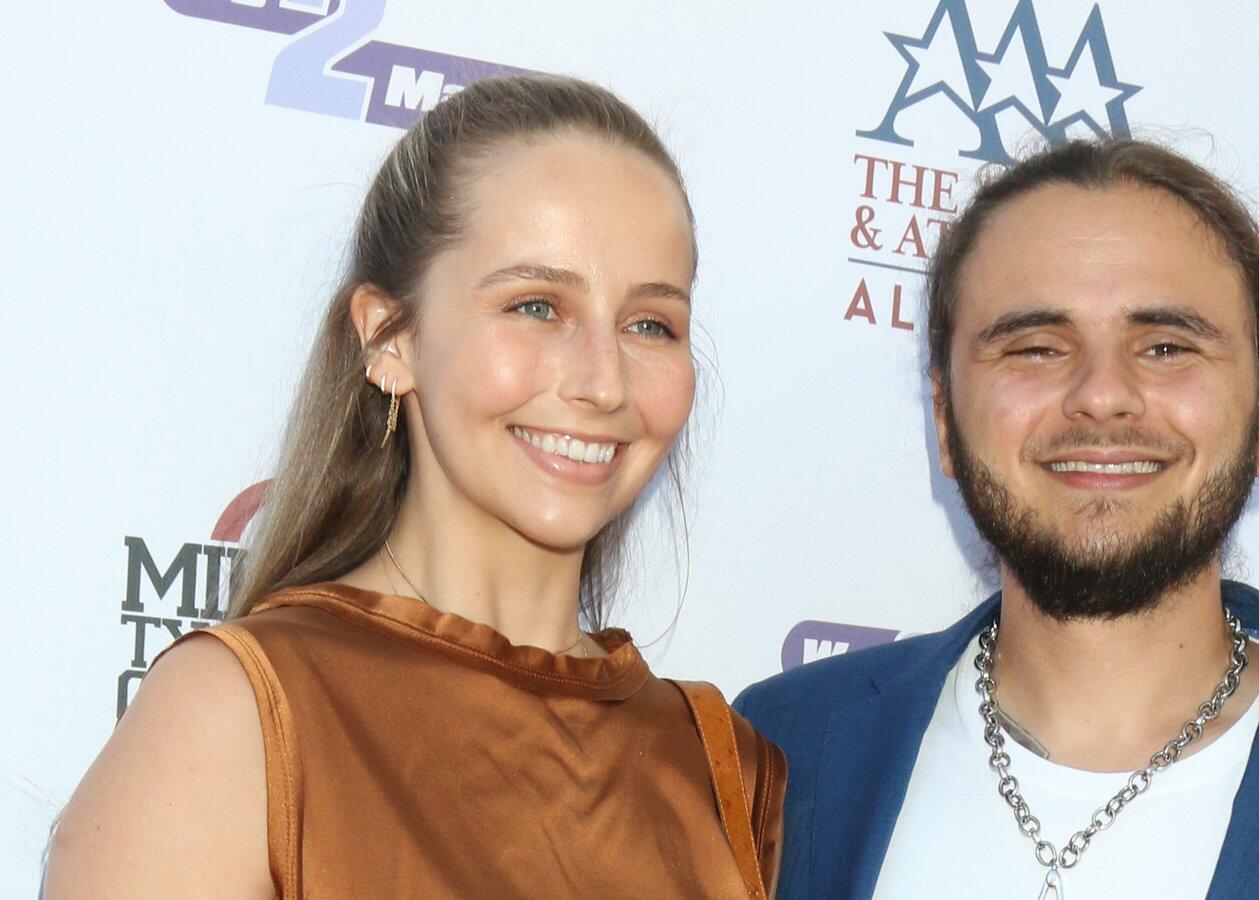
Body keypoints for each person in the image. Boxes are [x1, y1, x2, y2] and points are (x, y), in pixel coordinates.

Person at [735, 138, 1259, 898]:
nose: (1102, 395)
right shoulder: (785, 747)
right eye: (1035, 347)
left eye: (1166, 347)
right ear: (946, 420)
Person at [47, 75, 783, 898]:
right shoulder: (237, 715)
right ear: (389, 338)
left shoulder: (720, 768)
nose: (604, 382)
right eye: (537, 306)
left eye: (650, 324)